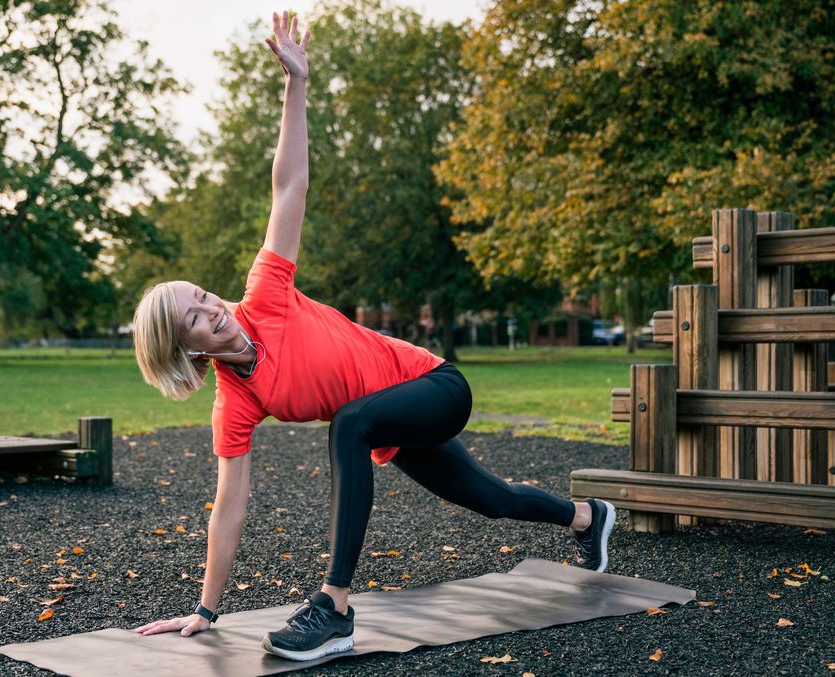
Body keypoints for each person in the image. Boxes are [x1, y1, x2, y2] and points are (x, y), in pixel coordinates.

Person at [130, 10, 616, 663]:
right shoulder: (235, 402)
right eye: (193, 315)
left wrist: (296, 84)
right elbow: (229, 506)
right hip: (390, 427)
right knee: (491, 499)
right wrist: (204, 609)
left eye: (200, 293)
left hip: (436, 385)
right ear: (187, 348)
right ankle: (589, 517)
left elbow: (288, 185)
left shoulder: (266, 293)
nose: (210, 306)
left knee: (348, 424)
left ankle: (334, 606)